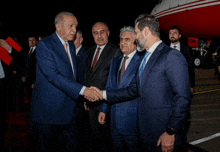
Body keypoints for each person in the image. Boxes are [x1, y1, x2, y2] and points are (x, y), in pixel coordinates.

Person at [88, 14, 192, 152]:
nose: (135, 37)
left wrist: (171, 130)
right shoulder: (145, 58)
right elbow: (132, 90)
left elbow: (183, 97)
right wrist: (102, 94)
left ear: (146, 31)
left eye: (136, 33)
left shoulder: (171, 56)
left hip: (163, 133)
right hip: (145, 131)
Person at [29, 11, 101, 152]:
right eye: (71, 26)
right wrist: (83, 90)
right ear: (58, 26)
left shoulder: (72, 46)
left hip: (70, 112)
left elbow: (71, 76)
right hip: (49, 113)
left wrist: (82, 94)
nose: (74, 30)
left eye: (76, 26)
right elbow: (54, 76)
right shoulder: (44, 45)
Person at [98, 26, 142, 152]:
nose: (122, 42)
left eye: (127, 39)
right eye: (121, 39)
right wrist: (103, 109)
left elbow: (133, 90)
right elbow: (110, 87)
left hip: (133, 121)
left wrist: (101, 94)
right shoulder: (115, 62)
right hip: (114, 121)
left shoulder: (142, 61)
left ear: (136, 41)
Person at [84, 22, 122, 152]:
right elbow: (87, 76)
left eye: (102, 32)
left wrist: (106, 107)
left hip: (107, 105)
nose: (99, 36)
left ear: (108, 33)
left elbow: (116, 82)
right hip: (91, 103)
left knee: (108, 140)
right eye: (95, 33)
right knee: (95, 138)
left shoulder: (116, 51)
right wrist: (86, 97)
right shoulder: (89, 51)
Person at [169, 26, 195, 96]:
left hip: (182, 84)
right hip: (167, 85)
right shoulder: (163, 49)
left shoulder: (187, 49)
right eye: (170, 33)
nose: (172, 35)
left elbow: (191, 68)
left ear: (179, 36)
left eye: (175, 33)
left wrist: (191, 85)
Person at [22, 37, 37, 102]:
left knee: (35, 96)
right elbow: (25, 65)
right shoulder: (26, 51)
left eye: (33, 40)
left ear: (36, 41)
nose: (31, 42)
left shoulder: (39, 51)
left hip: (35, 78)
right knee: (29, 95)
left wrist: (35, 81)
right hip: (28, 78)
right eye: (30, 40)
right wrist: (24, 75)